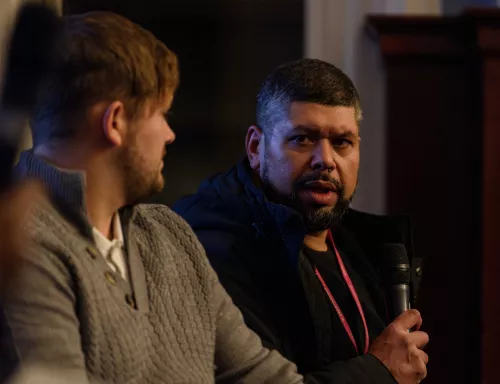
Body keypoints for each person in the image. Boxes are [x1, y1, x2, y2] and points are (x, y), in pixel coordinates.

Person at [0, 11, 305, 383]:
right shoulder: (21, 246)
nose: (170, 134)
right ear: (114, 122)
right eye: (161, 113)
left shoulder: (168, 234)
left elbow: (261, 374)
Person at [174, 58, 429, 384]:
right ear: (255, 147)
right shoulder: (214, 243)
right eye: (302, 139)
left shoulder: (360, 246)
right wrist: (378, 372)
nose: (325, 160)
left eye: (342, 142)